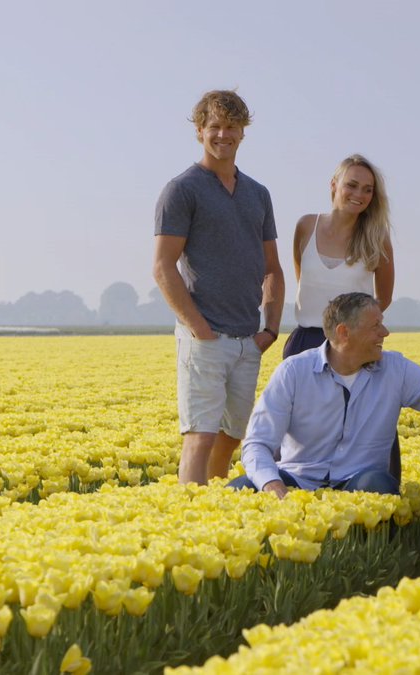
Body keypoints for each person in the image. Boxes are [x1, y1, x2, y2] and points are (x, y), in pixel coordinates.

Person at [232, 292, 420, 497]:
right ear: (344, 333)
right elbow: (257, 443)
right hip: (298, 480)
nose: (386, 332)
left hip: (359, 483)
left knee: (377, 485)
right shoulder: (293, 372)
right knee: (240, 489)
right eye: (375, 326)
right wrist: (273, 486)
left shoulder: (395, 369)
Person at [153, 90, 285, 486]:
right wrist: (199, 328)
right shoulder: (183, 190)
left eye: (232, 127)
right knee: (200, 436)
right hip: (205, 337)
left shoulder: (258, 194)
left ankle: (215, 517)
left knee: (230, 439)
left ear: (243, 132)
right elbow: (163, 267)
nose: (223, 135)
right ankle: (191, 522)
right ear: (200, 131)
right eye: (215, 127)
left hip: (248, 339)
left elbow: (273, 269)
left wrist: (270, 329)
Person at [285, 154, 394, 357]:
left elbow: (383, 299)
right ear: (334, 185)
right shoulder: (306, 226)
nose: (359, 194)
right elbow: (302, 281)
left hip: (352, 345)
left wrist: (357, 327)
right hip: (305, 343)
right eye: (351, 185)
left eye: (367, 190)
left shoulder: (378, 238)